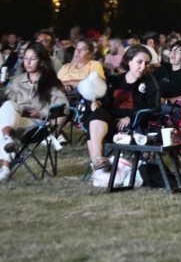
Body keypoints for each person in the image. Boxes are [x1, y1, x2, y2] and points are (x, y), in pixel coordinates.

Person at [84, 45, 160, 174]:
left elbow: (154, 109)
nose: (143, 67)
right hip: (107, 121)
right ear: (129, 61)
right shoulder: (114, 80)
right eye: (139, 62)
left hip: (131, 127)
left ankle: (98, 170)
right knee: (97, 114)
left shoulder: (149, 82)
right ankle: (98, 160)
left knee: (94, 123)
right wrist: (97, 104)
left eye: (146, 63)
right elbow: (104, 102)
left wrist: (131, 117)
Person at [0, 43, 68, 182]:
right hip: (16, 118)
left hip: (38, 124)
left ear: (42, 61)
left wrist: (41, 113)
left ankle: (6, 166)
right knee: (8, 106)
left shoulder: (51, 83)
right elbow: (9, 100)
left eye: (33, 58)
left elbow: (63, 107)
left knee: (5, 125)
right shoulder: (18, 81)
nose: (28, 62)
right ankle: (7, 143)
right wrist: (17, 108)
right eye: (25, 58)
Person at [153, 41, 181, 125]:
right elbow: (150, 82)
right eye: (172, 50)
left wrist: (166, 101)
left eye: (178, 51)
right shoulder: (163, 68)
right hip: (158, 104)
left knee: (149, 111)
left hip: (177, 108)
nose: (173, 53)